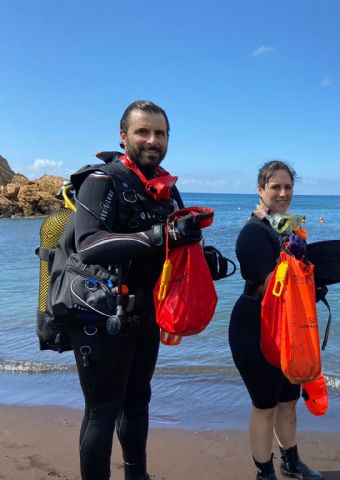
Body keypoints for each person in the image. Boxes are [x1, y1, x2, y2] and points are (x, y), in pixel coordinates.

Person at [67, 100, 205, 479]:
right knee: (103, 410)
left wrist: (202, 258)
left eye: (160, 133)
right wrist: (161, 235)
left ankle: (137, 475)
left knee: (138, 400)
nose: (152, 140)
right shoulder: (102, 181)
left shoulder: (165, 190)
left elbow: (169, 251)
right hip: (99, 313)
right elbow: (89, 243)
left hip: (144, 313)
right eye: (143, 131)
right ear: (123, 135)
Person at [229, 160, 324, 480]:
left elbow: (298, 281)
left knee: (288, 401)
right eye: (275, 187)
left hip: (289, 326)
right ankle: (264, 472)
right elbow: (273, 285)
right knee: (265, 404)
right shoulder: (253, 232)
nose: (283, 193)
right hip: (255, 326)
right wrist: (302, 268)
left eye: (288, 187)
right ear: (261, 190)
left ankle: (291, 463)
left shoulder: (286, 228)